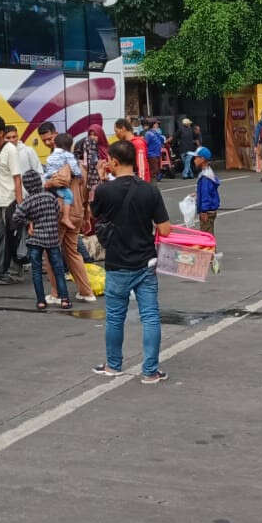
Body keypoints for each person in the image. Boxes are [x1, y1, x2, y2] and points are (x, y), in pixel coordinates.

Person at [90, 138, 172, 383]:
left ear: (113, 162)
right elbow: (165, 230)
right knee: (150, 316)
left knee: (115, 317)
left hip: (116, 263)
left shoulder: (105, 190)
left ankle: (113, 365)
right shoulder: (149, 189)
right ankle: (150, 371)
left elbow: (93, 214)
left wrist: (100, 177)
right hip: (145, 262)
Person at [45, 132, 96, 301]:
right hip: (78, 212)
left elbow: (61, 181)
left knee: (51, 252)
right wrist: (87, 215)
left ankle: (56, 293)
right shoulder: (81, 166)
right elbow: (87, 191)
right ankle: (86, 291)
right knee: (72, 252)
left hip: (62, 212)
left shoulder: (62, 163)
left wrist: (47, 183)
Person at [20, 169, 70, 308]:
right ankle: (65, 299)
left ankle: (41, 301)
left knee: (36, 271)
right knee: (58, 269)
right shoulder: (50, 197)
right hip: (52, 238)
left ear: (26, 186)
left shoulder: (28, 201)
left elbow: (16, 216)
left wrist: (29, 222)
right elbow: (57, 210)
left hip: (35, 240)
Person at [0, 115, 25, 282]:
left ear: (0, 133)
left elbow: (17, 178)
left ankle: (15, 273)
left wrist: (20, 204)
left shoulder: (10, 150)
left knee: (13, 238)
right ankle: (1, 269)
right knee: (0, 237)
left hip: (10, 201)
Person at [191, 147, 220, 236]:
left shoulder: (205, 177)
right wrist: (197, 194)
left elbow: (206, 194)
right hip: (210, 210)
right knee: (209, 233)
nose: (194, 160)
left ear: (202, 159)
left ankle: (210, 250)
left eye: (196, 158)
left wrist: (204, 211)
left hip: (207, 211)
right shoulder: (207, 173)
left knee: (206, 235)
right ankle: (211, 249)